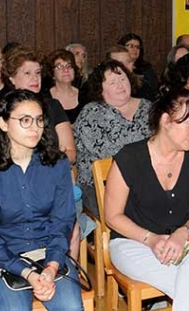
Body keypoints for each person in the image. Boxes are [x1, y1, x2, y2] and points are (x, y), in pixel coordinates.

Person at [0, 90, 82, 310]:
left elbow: (63, 222)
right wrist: (28, 273)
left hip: (47, 251)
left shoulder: (56, 164)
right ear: (3, 123)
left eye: (39, 120)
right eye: (25, 120)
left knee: (71, 307)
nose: (35, 128)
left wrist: (51, 267)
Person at [104, 89, 189, 309]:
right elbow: (113, 217)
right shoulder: (130, 157)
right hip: (134, 241)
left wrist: (184, 232)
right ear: (166, 120)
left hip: (182, 241)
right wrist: (151, 239)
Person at [74, 60, 152, 217]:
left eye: (123, 79)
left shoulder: (149, 108)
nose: (120, 85)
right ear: (100, 89)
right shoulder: (92, 114)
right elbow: (114, 155)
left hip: (148, 181)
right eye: (112, 82)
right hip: (101, 185)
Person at [4, 47, 77, 163]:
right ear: (12, 78)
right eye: (27, 73)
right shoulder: (3, 109)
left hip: (50, 171)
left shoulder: (52, 106)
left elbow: (71, 153)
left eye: (38, 73)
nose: (35, 78)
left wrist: (46, 166)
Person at [43, 49, 87, 124]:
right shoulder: (44, 98)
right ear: (52, 73)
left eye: (69, 66)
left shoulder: (86, 96)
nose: (66, 70)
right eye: (59, 66)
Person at [118, 33, 160, 101]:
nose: (135, 49)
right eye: (130, 46)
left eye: (138, 47)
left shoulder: (146, 68)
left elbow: (154, 90)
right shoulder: (115, 68)